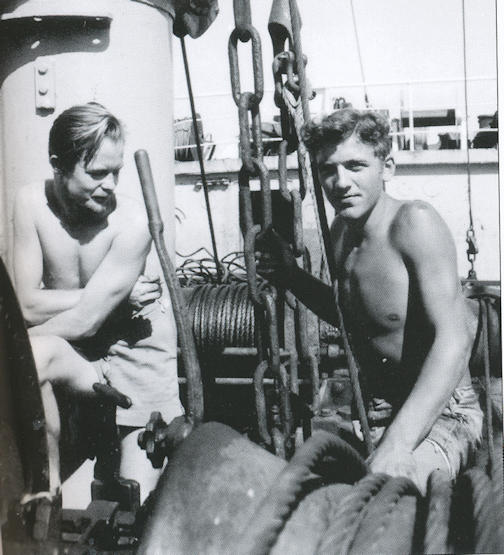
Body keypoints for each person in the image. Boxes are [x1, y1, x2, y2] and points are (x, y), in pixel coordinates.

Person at [259, 108, 483, 494]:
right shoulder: (341, 232)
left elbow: (455, 339)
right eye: (328, 169)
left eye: (355, 166)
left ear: (387, 167)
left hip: (444, 413)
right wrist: (291, 276)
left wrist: (398, 443)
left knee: (384, 498)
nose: (340, 182)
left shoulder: (414, 223)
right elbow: (353, 318)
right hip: (376, 411)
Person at [13, 102, 184, 500]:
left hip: (134, 359)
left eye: (116, 171)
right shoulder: (30, 204)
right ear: (58, 165)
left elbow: (85, 321)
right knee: (31, 358)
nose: (110, 184)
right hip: (78, 354)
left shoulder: (134, 224)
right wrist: (108, 297)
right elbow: (24, 304)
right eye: (96, 173)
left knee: (136, 506)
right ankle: (46, 500)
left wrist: (12, 341)